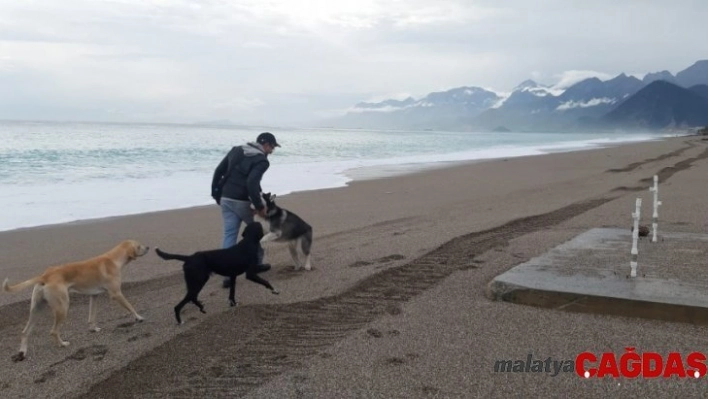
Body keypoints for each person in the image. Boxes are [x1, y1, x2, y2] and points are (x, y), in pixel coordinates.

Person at [211, 132, 280, 288]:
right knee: (258, 233)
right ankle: (255, 265)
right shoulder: (261, 160)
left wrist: (216, 194)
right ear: (267, 145)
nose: (272, 151)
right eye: (272, 147)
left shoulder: (237, 149)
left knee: (229, 235)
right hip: (243, 201)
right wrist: (260, 207)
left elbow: (219, 170)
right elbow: (251, 183)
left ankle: (228, 274)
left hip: (226, 198)